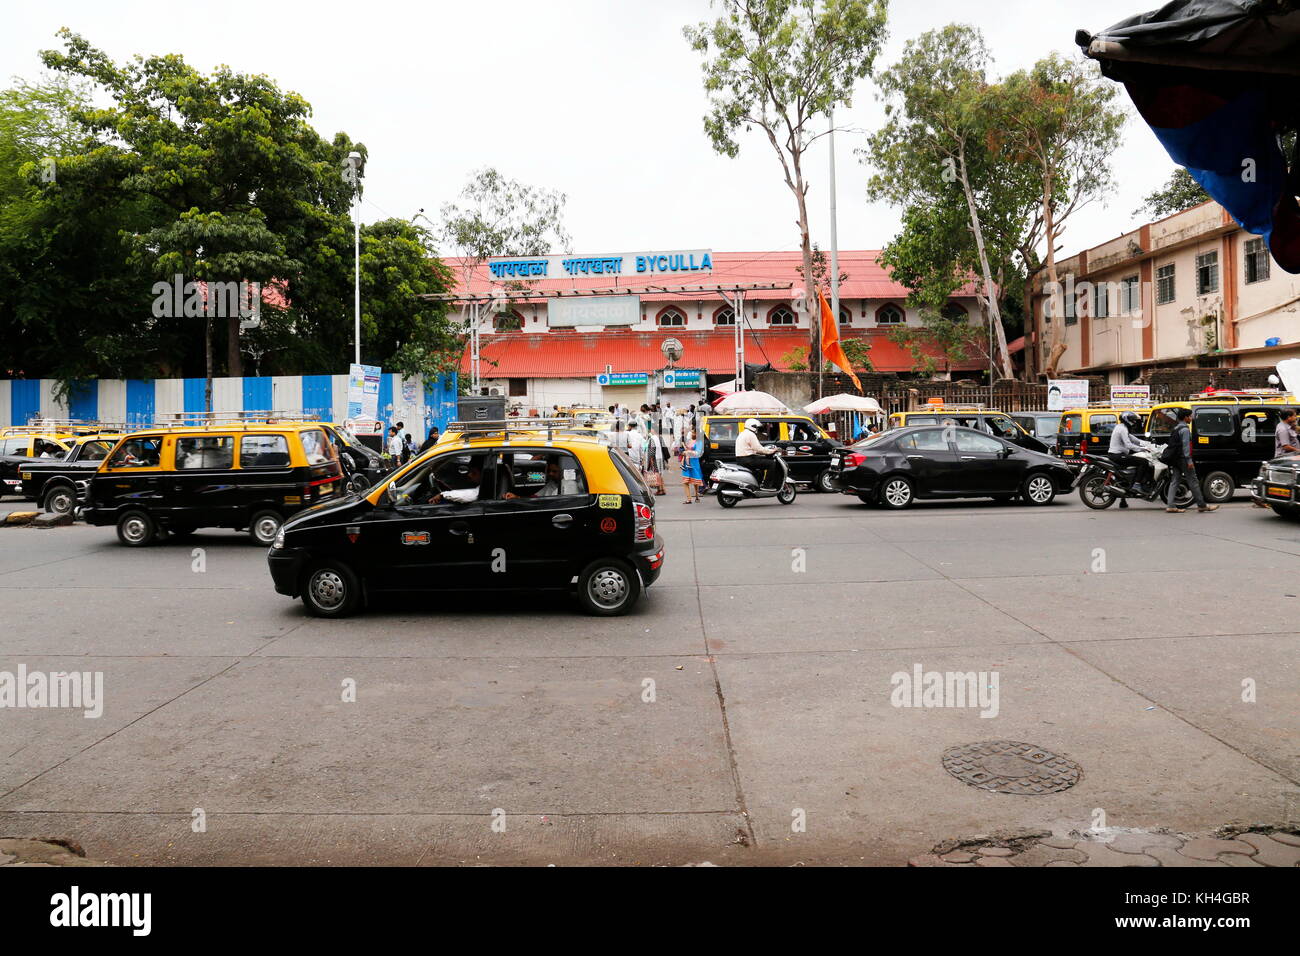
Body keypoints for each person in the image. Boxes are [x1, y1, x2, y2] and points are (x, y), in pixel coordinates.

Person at [1166, 407, 1217, 514]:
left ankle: (1170, 505)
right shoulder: (1184, 430)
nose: (1191, 418)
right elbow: (1186, 447)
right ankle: (1202, 505)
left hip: (1176, 460)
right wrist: (1189, 461)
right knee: (1193, 482)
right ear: (1185, 418)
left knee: (1174, 481)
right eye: (1190, 416)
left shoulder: (1176, 429)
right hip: (1184, 459)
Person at [1108, 410, 1151, 509]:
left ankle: (1123, 500)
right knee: (1143, 462)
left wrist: (1148, 444)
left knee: (1127, 473)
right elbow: (1128, 444)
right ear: (1127, 419)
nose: (1134, 422)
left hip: (1117, 454)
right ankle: (1137, 484)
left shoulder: (1122, 428)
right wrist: (1143, 449)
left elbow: (1134, 440)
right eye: (1133, 420)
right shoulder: (1122, 429)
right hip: (1118, 455)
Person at [735, 417, 778, 487]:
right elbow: (758, 449)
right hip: (748, 459)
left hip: (741, 459)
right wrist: (771, 451)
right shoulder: (751, 434)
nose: (757, 429)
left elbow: (754, 449)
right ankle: (767, 485)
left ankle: (758, 482)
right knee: (771, 463)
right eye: (757, 427)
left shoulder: (742, 433)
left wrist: (764, 452)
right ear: (753, 427)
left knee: (762, 462)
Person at [642, 426, 667, 496]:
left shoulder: (652, 438)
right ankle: (662, 489)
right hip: (660, 457)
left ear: (654, 430)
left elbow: (652, 449)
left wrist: (651, 459)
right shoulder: (658, 438)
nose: (651, 430)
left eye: (652, 429)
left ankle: (660, 490)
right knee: (659, 474)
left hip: (655, 458)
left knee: (657, 474)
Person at [681, 427, 704, 503]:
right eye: (692, 432)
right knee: (685, 481)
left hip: (694, 463)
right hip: (686, 462)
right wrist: (684, 451)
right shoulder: (690, 441)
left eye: (694, 432)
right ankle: (689, 499)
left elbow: (698, 453)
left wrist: (688, 452)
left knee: (695, 481)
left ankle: (697, 496)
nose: (692, 434)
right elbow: (685, 449)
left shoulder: (699, 442)